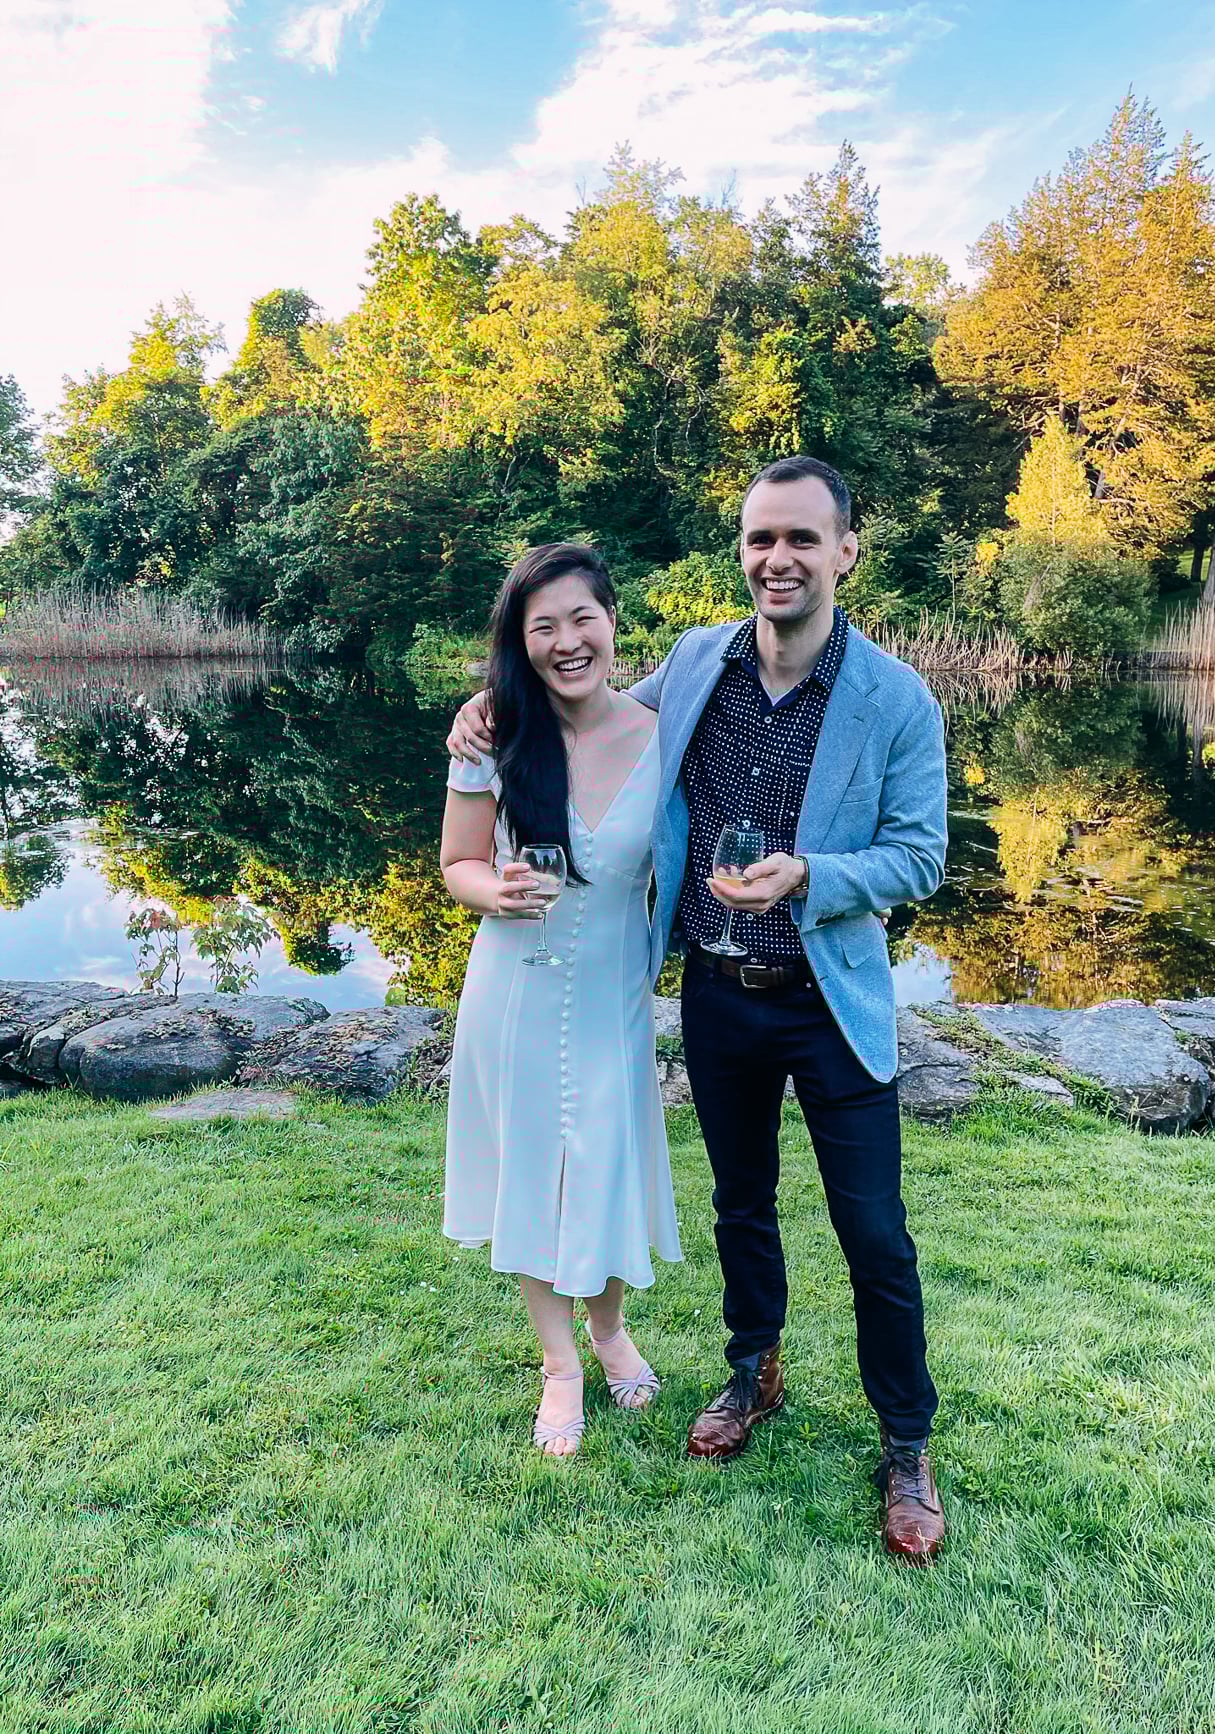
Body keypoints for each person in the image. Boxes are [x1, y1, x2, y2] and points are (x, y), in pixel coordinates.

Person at [449, 458, 949, 1560]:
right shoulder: (694, 662)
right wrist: (493, 710)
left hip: (830, 1001)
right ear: (743, 551)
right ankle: (748, 1374)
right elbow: (592, 733)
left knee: (874, 1232)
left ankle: (904, 1447)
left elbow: (920, 855)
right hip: (719, 996)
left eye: (802, 540)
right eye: (761, 539)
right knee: (741, 1208)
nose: (779, 559)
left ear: (845, 553)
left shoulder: (897, 700)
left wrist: (811, 874)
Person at [439, 542, 682, 1458]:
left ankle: (611, 1329)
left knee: (606, 1166)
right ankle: (560, 1368)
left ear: (614, 622)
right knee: (534, 1176)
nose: (567, 641)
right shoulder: (495, 733)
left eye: (582, 618)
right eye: (544, 626)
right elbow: (457, 862)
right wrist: (489, 890)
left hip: (617, 997)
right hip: (516, 996)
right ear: (521, 641)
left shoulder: (669, 735)